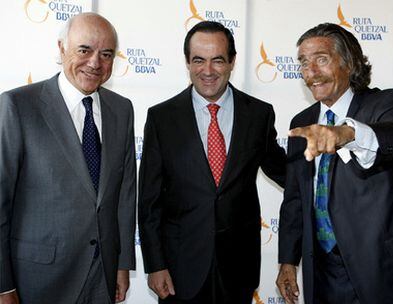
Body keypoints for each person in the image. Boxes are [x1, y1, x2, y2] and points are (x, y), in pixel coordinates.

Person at [138, 21, 286, 304]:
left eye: (217, 60)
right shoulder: (162, 118)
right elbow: (149, 201)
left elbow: (286, 174)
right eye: (198, 60)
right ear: (187, 62)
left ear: (232, 61)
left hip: (238, 269)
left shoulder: (259, 114)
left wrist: (332, 171)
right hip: (179, 270)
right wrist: (155, 265)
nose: (207, 71)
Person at [0, 13, 137, 304]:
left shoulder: (122, 109)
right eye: (84, 50)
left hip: (103, 275)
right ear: (62, 48)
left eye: (106, 54)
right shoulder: (18, 106)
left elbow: (124, 194)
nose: (95, 63)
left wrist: (122, 262)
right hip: (37, 280)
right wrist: (3, 286)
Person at [276, 23, 393, 304]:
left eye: (321, 60)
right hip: (324, 273)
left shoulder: (388, 102)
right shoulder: (301, 123)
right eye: (304, 63)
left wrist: (346, 133)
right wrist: (288, 261)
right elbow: (295, 199)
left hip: (384, 269)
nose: (311, 72)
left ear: (349, 63)